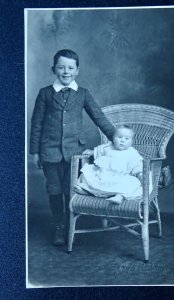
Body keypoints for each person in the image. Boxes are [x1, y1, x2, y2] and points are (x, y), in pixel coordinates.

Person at [30, 49, 115, 246]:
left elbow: (99, 117)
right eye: (61, 67)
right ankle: (58, 226)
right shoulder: (45, 93)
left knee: (71, 190)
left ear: (77, 70)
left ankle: (69, 225)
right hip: (49, 152)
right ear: (54, 69)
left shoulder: (83, 93)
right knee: (53, 190)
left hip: (75, 154)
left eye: (70, 68)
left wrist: (115, 137)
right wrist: (34, 152)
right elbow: (36, 123)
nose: (66, 71)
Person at [75, 125, 153, 204]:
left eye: (126, 138)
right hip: (103, 176)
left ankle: (120, 196)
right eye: (119, 137)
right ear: (113, 138)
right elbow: (98, 151)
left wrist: (139, 173)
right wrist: (91, 152)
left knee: (134, 183)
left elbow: (137, 165)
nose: (122, 140)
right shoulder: (107, 147)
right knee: (86, 174)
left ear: (131, 141)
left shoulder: (132, 153)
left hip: (121, 178)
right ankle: (88, 190)